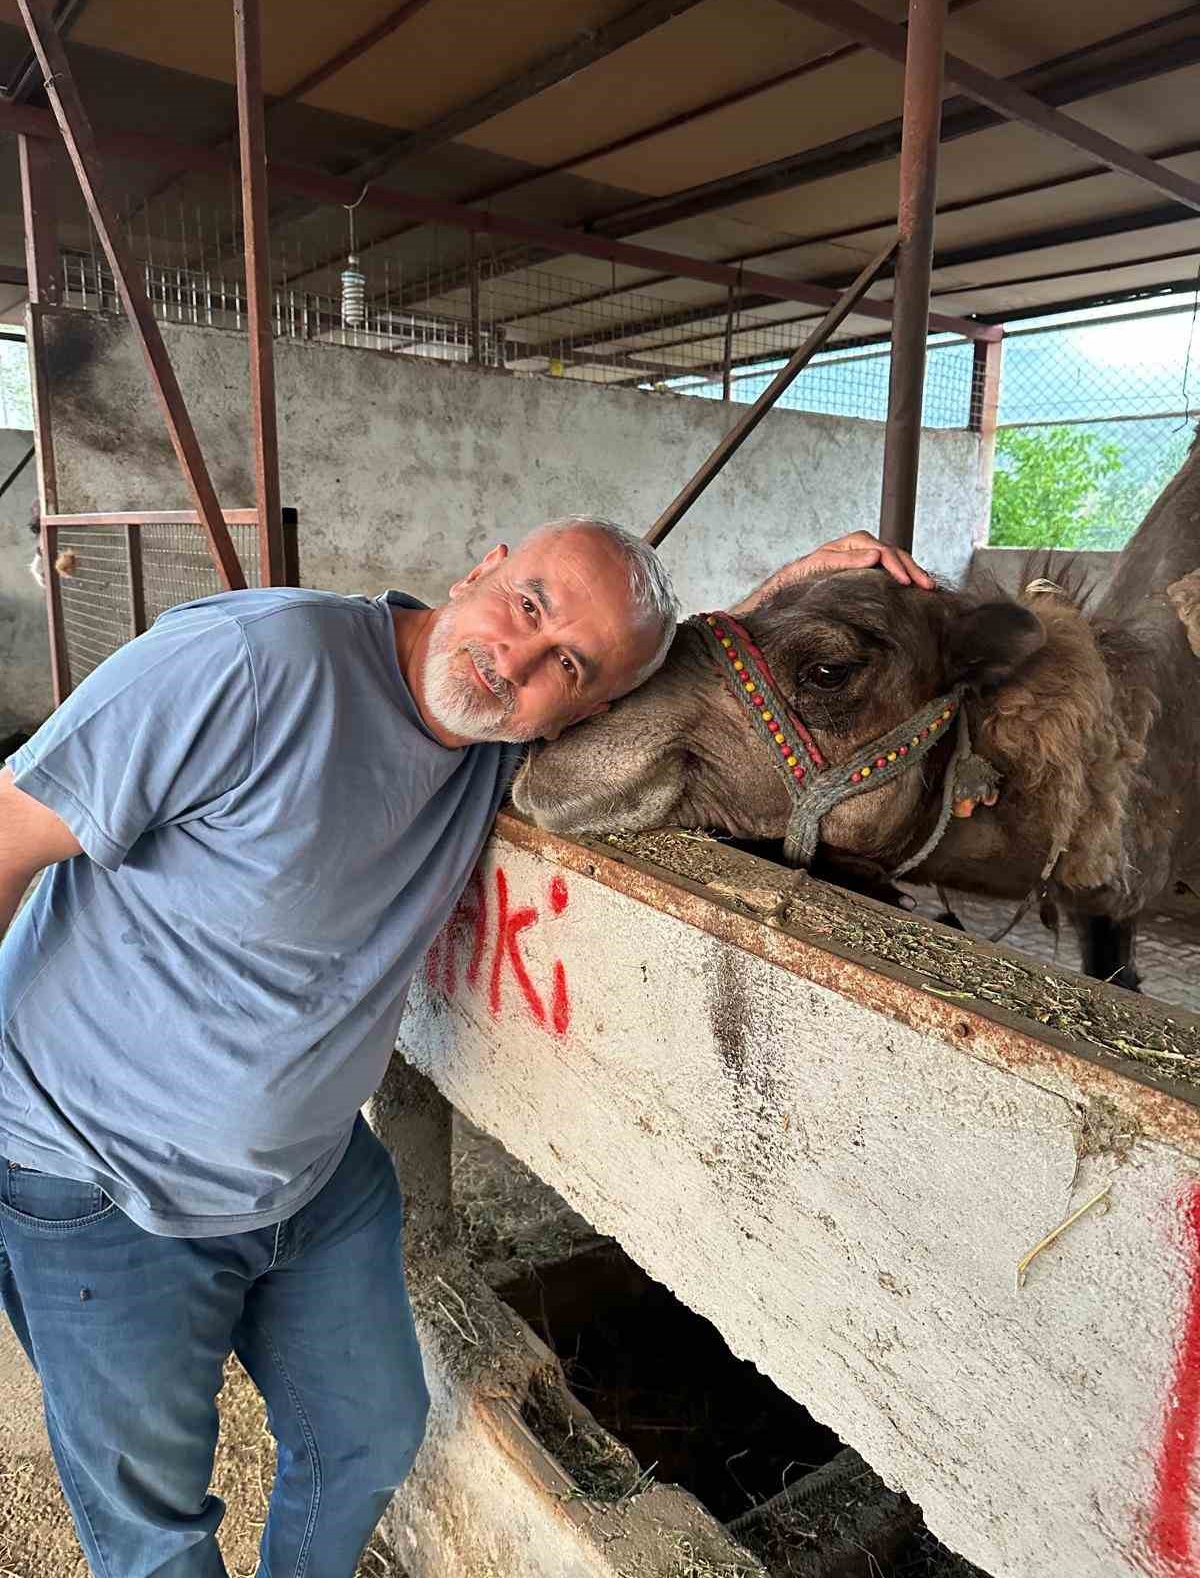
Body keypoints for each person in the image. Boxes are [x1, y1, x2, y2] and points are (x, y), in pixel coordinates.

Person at [0, 519, 930, 1578]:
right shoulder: (257, 667)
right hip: (100, 1179)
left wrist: (785, 597)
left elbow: (661, 687)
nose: (516, 659)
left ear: (588, 707)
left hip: (308, 1175)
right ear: (482, 566)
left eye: (564, 665)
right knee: (154, 1531)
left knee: (368, 1434)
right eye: (527, 605)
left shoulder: (501, 744)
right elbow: (4, 835)